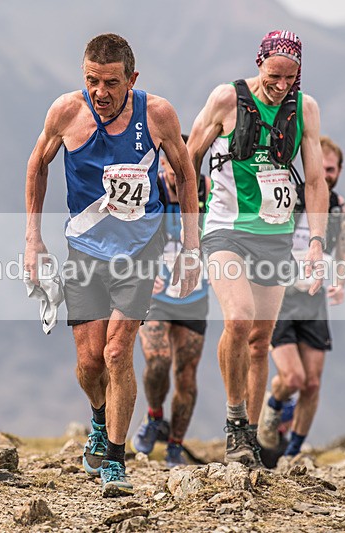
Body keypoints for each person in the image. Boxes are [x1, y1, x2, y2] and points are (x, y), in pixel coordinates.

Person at [24, 34, 201, 497]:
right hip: (84, 252)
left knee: (117, 352)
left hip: (140, 252)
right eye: (92, 80)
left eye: (111, 83)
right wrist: (32, 239)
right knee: (88, 361)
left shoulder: (157, 114)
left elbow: (184, 173)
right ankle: (99, 419)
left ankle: (116, 461)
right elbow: (37, 164)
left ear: (132, 79)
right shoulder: (66, 112)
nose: (101, 92)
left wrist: (190, 246)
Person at [186, 30, 329, 467]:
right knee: (240, 317)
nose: (280, 85)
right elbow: (188, 156)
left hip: (275, 234)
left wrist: (317, 244)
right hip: (225, 228)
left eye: (289, 77)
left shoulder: (304, 109)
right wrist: (188, 226)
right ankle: (234, 424)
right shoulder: (227, 99)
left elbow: (318, 181)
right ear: (259, 62)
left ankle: (248, 430)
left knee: (260, 339)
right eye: (273, 75)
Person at [257, 135, 345, 459]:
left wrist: (339, 283)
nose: (326, 174)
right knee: (293, 378)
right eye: (321, 168)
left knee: (312, 383)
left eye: (331, 169)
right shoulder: (288, 197)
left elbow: (343, 251)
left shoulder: (342, 208)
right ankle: (273, 408)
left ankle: (293, 454)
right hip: (281, 297)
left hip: (313, 300)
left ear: (339, 171)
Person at [132, 139, 211, 468]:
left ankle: (175, 446)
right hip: (155, 296)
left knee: (187, 376)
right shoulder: (150, 191)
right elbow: (127, 234)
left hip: (194, 296)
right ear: (162, 165)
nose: (180, 172)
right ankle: (153, 418)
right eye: (173, 165)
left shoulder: (209, 192)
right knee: (159, 362)